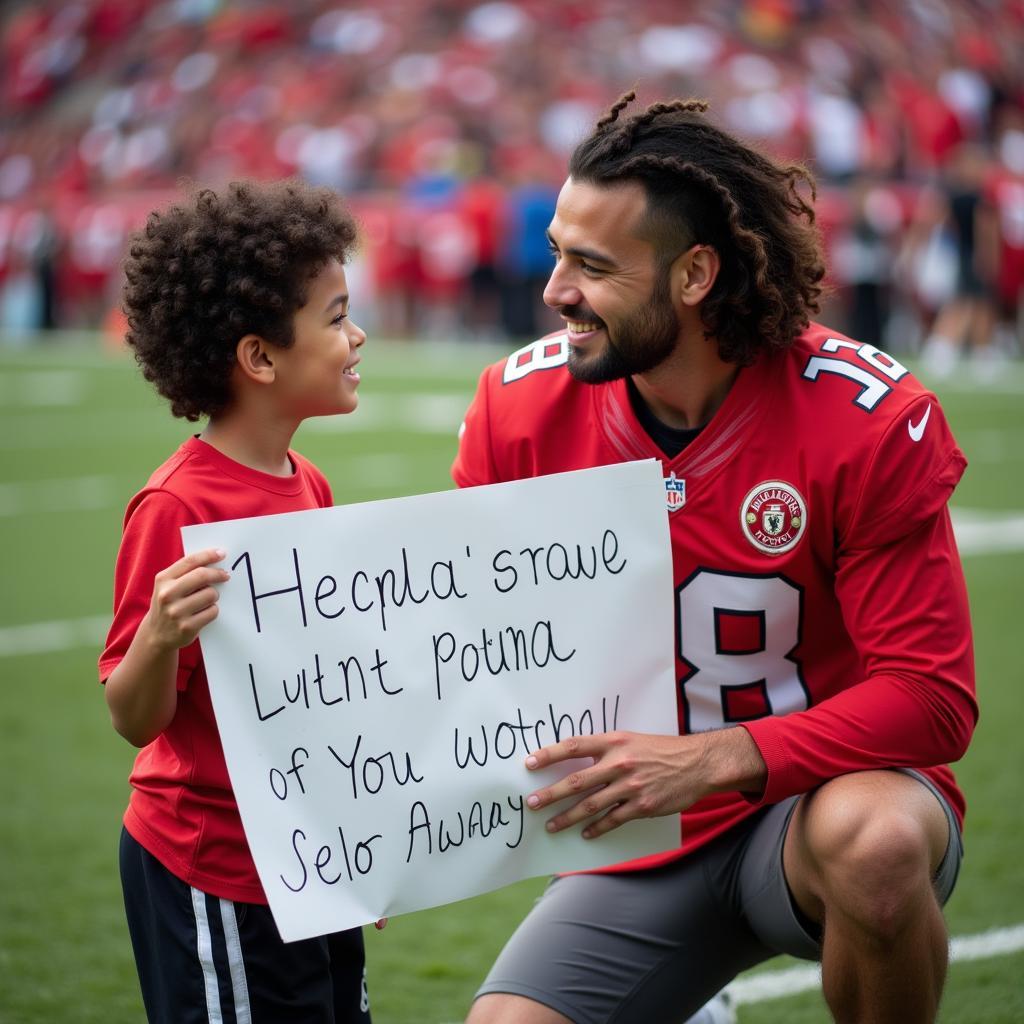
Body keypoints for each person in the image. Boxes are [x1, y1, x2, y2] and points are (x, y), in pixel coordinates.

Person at [452, 93, 977, 1024]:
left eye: (592, 265)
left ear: (695, 275)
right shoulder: (518, 410)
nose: (554, 291)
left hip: (818, 805)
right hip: (644, 829)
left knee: (881, 844)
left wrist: (713, 758)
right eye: (557, 254)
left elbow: (932, 700)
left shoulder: (860, 418)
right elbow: (473, 649)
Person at [98, 179, 373, 1023]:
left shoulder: (311, 483)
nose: (357, 335)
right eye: (334, 318)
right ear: (259, 357)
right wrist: (157, 635)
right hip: (213, 866)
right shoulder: (178, 508)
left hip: (307, 861)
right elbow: (133, 716)